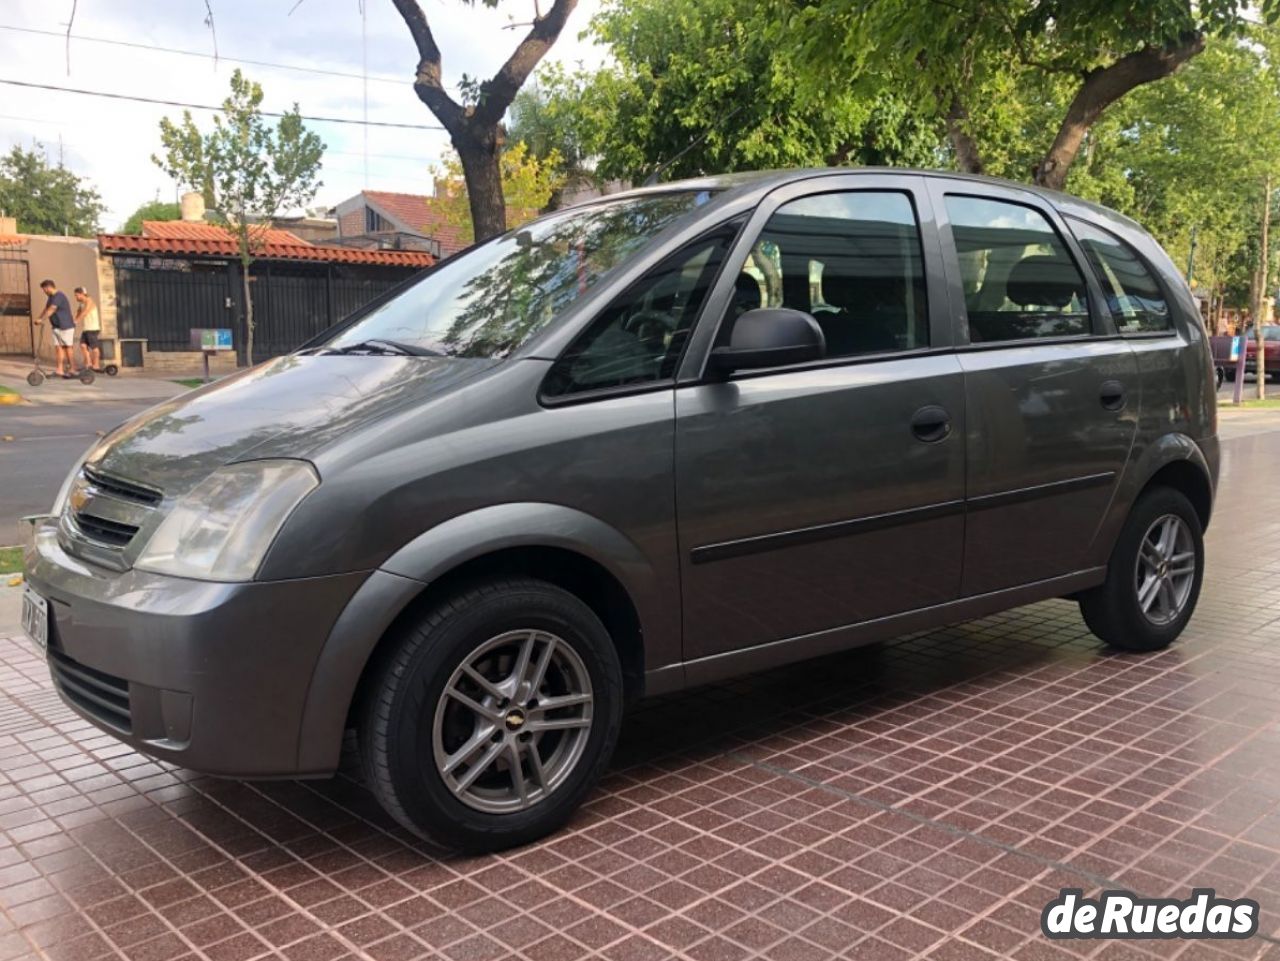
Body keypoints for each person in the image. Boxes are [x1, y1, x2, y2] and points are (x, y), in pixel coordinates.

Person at [34, 279, 77, 378]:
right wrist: (39, 318)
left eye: (44, 289)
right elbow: (46, 309)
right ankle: (60, 370)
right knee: (58, 348)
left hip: (65, 326)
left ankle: (72, 368)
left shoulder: (59, 296)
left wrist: (43, 319)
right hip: (56, 326)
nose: (44, 291)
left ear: (48, 287)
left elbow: (52, 309)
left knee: (67, 347)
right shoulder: (50, 297)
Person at [74, 287, 102, 372]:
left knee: (94, 347)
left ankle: (96, 365)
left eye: (77, 295)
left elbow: (85, 312)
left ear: (82, 294)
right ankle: (88, 364)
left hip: (92, 328)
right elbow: (78, 312)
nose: (76, 297)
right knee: (83, 345)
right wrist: (71, 320)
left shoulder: (89, 301)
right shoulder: (81, 303)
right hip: (86, 328)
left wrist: (76, 321)